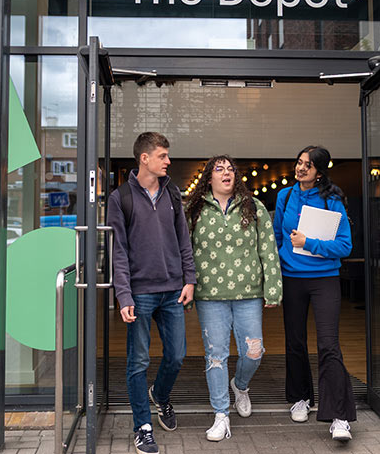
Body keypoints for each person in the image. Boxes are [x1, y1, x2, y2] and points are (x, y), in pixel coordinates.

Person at [107, 132, 196, 454]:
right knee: (138, 361)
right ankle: (142, 426)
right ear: (144, 158)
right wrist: (124, 295)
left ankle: (160, 395)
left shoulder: (172, 193)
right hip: (141, 292)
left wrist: (189, 279)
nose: (168, 161)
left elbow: (183, 239)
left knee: (176, 355)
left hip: (173, 289)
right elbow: (118, 251)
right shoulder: (121, 198)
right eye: (162, 155)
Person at [185, 155, 282, 442]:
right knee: (216, 357)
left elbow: (268, 248)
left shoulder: (254, 206)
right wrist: (186, 286)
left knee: (255, 351)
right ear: (209, 177)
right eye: (219, 169)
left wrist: (273, 287)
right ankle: (221, 415)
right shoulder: (195, 208)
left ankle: (240, 385)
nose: (226, 173)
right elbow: (185, 252)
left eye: (231, 169)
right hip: (210, 296)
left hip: (249, 294)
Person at [273, 145, 355, 442]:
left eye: (307, 165)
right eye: (298, 162)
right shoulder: (285, 196)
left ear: (319, 172)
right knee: (295, 341)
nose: (300, 168)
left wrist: (309, 243)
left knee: (328, 344)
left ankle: (340, 416)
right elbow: (276, 238)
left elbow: (345, 246)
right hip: (292, 278)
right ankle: (300, 399)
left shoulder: (332, 200)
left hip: (324, 280)